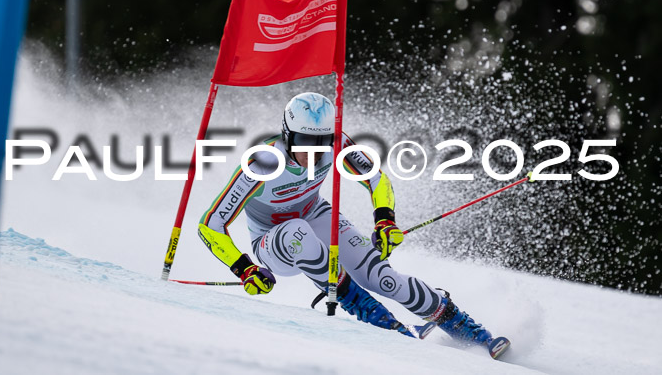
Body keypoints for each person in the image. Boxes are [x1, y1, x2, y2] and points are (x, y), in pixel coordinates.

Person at [198, 92, 509, 358]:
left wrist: (385, 220)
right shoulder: (263, 163)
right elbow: (210, 224)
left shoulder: (336, 143)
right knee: (298, 233)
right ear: (287, 134)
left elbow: (377, 178)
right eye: (305, 141)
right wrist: (244, 268)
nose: (313, 151)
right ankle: (383, 321)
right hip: (273, 242)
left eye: (321, 141)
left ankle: (471, 332)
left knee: (382, 277)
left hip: (315, 214)